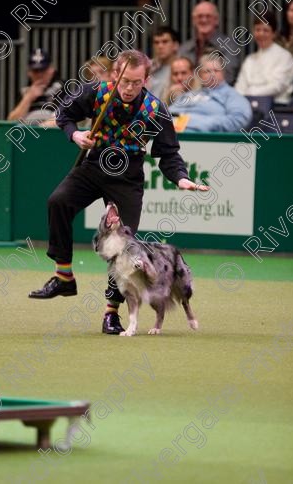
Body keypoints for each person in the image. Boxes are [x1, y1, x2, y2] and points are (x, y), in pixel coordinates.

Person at [28, 49, 209, 334]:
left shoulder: (155, 109)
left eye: (136, 82)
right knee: (58, 202)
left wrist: (181, 179)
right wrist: (75, 134)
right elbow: (65, 115)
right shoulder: (96, 93)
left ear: (147, 79)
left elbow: (168, 154)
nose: (129, 88)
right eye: (125, 81)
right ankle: (63, 276)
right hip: (93, 166)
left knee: (123, 248)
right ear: (115, 75)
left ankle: (111, 313)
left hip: (128, 177)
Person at [169, 52, 252, 132]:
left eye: (216, 71)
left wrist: (200, 123)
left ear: (223, 73)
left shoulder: (232, 96)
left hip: (205, 139)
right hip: (173, 135)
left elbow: (238, 120)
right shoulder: (190, 94)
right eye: (207, 71)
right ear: (200, 75)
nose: (212, 75)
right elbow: (168, 113)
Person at [235, 12, 293, 105]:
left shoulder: (285, 57)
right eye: (257, 30)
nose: (261, 34)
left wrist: (250, 93)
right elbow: (240, 87)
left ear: (274, 34)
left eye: (265, 30)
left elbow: (277, 87)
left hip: (276, 106)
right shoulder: (249, 60)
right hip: (247, 105)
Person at [179, 1, 240, 85]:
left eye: (208, 16)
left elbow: (228, 77)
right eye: (200, 16)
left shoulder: (229, 46)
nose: (204, 20)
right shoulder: (184, 49)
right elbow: (178, 75)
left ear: (216, 20)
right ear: (194, 21)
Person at [7, 48, 63, 124]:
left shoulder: (62, 88)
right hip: (26, 133)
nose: (39, 75)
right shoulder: (24, 91)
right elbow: (11, 122)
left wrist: (40, 129)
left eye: (43, 70)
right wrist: (28, 98)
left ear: (51, 70)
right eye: (35, 71)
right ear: (29, 72)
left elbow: (65, 118)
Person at [147, 26, 180, 99]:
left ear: (175, 45)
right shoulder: (147, 67)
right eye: (156, 42)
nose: (160, 46)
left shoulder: (182, 67)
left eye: (165, 42)